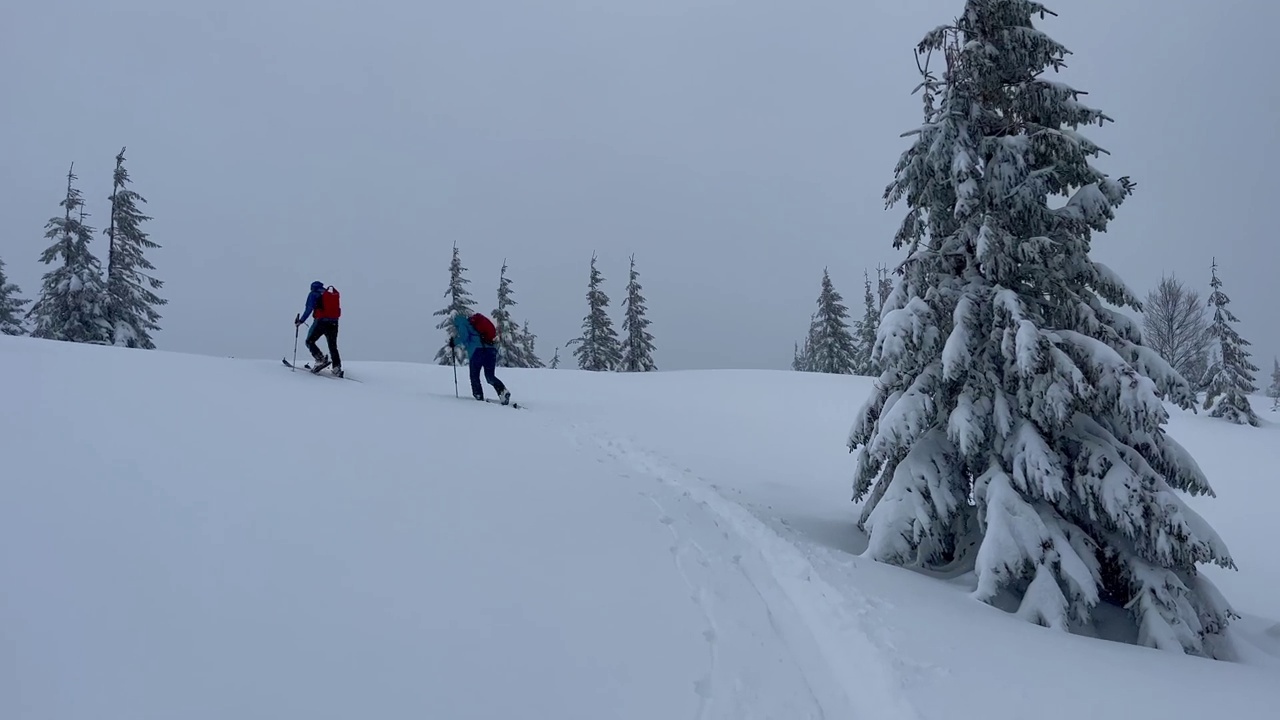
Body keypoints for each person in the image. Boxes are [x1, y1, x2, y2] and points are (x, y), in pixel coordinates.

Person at [450, 311, 511, 404]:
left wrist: (454, 342)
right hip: (490, 351)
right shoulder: (475, 324)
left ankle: (479, 397)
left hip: (477, 352)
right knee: (490, 376)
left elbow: (464, 336)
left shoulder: (462, 323)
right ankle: (502, 391)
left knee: (474, 376)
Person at [295, 280, 342, 376]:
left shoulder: (314, 294)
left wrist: (301, 321)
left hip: (321, 322)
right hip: (334, 322)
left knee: (309, 341)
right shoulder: (328, 294)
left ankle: (320, 359)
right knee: (333, 346)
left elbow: (309, 308)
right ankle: (337, 367)